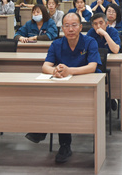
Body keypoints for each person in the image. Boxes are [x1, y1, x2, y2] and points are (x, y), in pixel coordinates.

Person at [24, 12, 101, 163]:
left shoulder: (89, 42)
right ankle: (63, 145)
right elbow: (45, 66)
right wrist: (55, 71)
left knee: (62, 102)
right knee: (57, 100)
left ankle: (44, 130)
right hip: (64, 87)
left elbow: (92, 66)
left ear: (80, 27)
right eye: (67, 26)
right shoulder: (57, 44)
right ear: (62, 28)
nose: (70, 29)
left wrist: (69, 71)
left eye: (74, 25)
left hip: (86, 88)